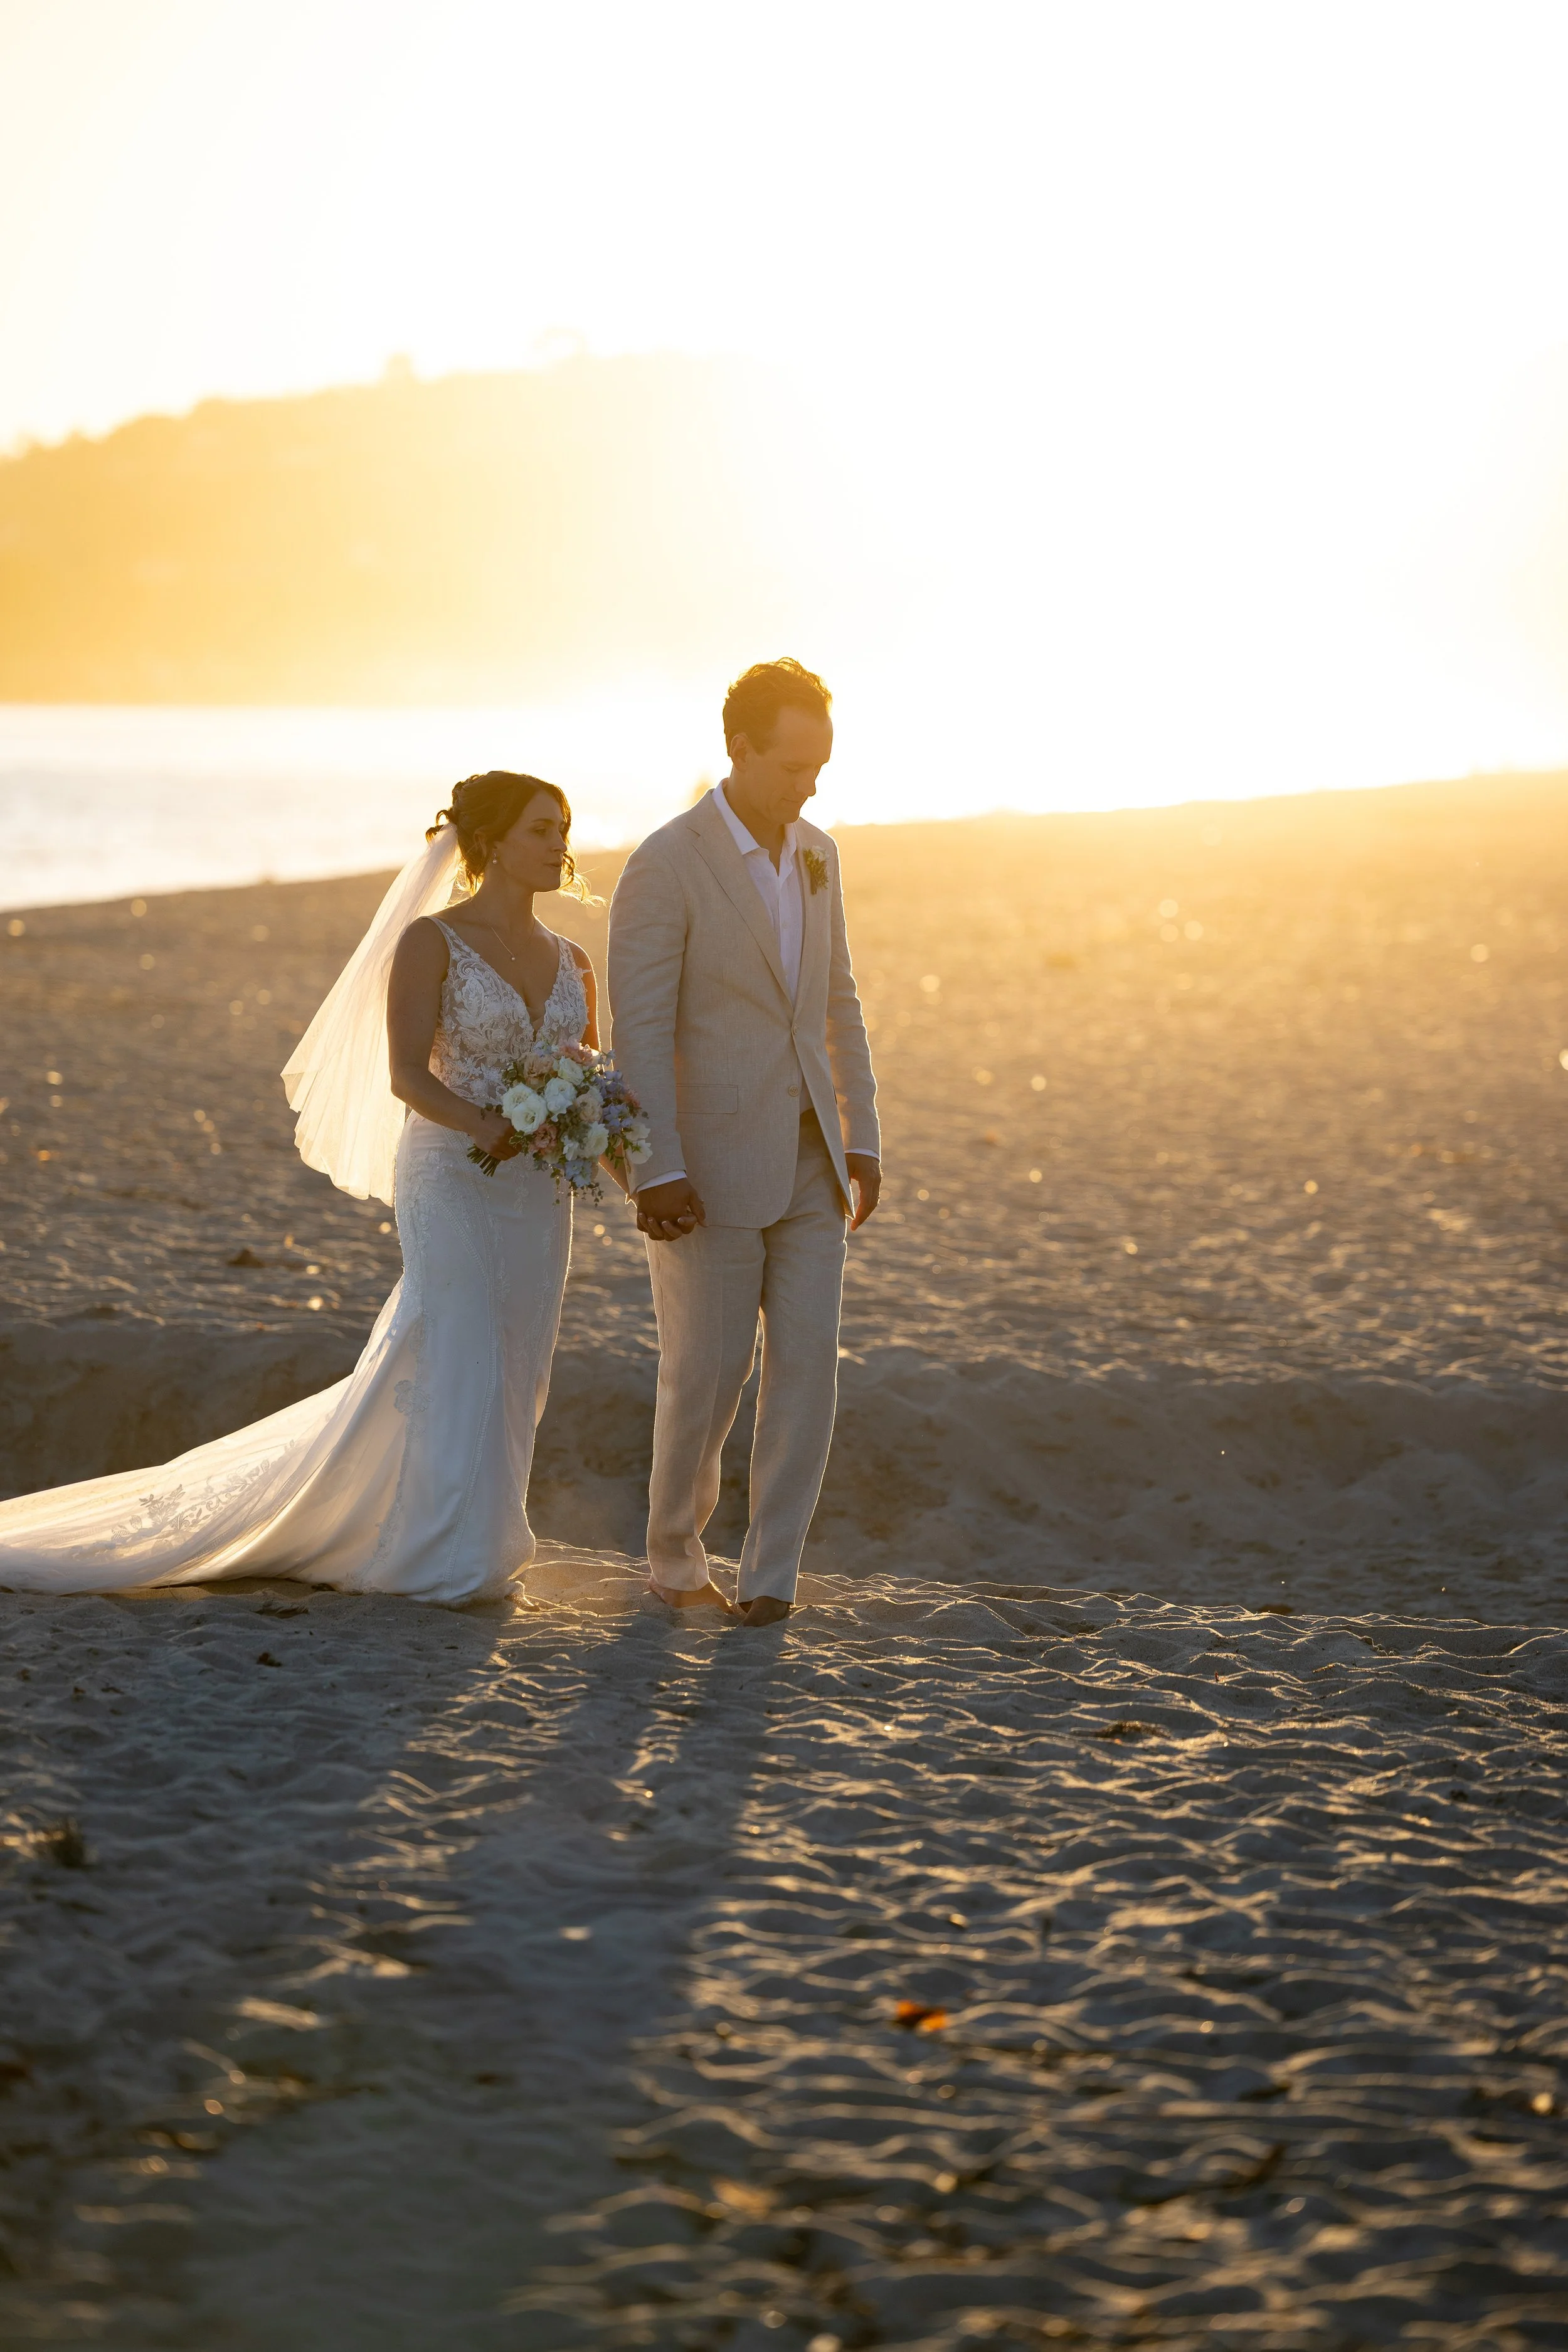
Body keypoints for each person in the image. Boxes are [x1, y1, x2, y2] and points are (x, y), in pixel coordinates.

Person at [0, 773, 595, 1602]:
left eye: (564, 827)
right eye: (541, 828)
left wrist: (590, 1122)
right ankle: (447, 1549)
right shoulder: (433, 942)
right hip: (453, 1173)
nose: (559, 842)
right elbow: (403, 1076)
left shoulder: (574, 960)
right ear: (492, 841)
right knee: (459, 1341)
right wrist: (484, 1124)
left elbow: (587, 1068)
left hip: (539, 1191)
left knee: (520, 1357)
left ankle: (480, 1530)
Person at [607, 658, 881, 1628]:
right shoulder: (666, 862)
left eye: (821, 766)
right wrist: (657, 1164)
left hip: (813, 1153)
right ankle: (675, 1554)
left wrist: (864, 1133)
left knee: (810, 1365)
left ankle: (771, 1576)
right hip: (706, 1165)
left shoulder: (819, 853)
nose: (809, 785)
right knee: (709, 1375)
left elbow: (837, 998)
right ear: (740, 749)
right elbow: (638, 1031)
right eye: (792, 765)